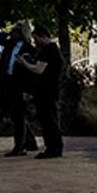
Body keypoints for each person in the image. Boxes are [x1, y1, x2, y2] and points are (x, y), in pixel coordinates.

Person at [18, 24, 66, 159]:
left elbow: (38, 69)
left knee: (48, 119)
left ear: (42, 37)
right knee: (50, 118)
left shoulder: (48, 50)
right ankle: (55, 146)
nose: (35, 42)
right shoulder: (54, 50)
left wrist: (24, 63)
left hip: (46, 91)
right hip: (49, 90)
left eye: (36, 38)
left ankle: (52, 148)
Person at [0, 25, 37, 156]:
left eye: (15, 32)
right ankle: (29, 142)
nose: (12, 34)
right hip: (7, 81)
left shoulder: (29, 49)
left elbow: (31, 72)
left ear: (21, 34)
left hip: (20, 84)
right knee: (13, 114)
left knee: (18, 114)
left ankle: (20, 146)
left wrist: (28, 90)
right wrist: (8, 33)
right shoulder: (10, 44)